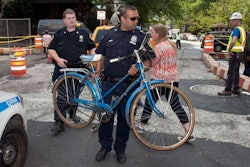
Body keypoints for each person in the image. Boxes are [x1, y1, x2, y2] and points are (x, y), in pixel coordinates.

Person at [93, 5, 155, 164]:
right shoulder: (109, 35)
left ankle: (120, 149)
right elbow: (102, 56)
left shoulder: (141, 37)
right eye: (133, 18)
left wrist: (140, 67)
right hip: (108, 85)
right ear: (123, 19)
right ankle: (105, 146)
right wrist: (98, 71)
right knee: (105, 117)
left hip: (130, 86)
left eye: (137, 18)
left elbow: (149, 61)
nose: (136, 21)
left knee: (125, 119)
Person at [137, 23, 195, 142]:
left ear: (158, 34)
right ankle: (188, 131)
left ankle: (141, 127)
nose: (151, 35)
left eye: (152, 32)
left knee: (149, 103)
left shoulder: (159, 47)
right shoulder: (171, 45)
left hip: (158, 80)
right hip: (172, 80)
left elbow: (153, 62)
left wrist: (143, 59)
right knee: (175, 104)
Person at [48, 8, 96, 135]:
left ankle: (72, 114)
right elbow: (51, 50)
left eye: (73, 18)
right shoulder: (59, 34)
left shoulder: (83, 33)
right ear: (64, 20)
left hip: (79, 69)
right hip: (63, 69)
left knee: (75, 95)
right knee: (62, 97)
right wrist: (57, 59)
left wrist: (91, 59)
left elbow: (92, 47)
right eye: (69, 18)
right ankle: (59, 122)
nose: (71, 20)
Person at [218, 12, 246, 96]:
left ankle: (228, 89)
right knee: (236, 71)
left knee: (231, 71)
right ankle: (236, 88)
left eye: (233, 20)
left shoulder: (237, 29)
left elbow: (233, 41)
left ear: (238, 20)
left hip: (234, 53)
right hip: (240, 53)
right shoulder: (242, 29)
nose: (232, 22)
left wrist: (229, 50)